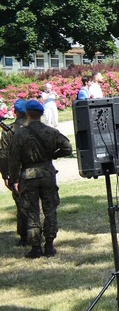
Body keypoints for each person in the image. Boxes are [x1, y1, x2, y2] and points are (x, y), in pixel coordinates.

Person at [6, 100, 73, 257]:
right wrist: (52, 155)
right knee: (50, 209)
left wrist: (14, 180)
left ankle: (35, 247)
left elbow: (14, 160)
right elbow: (67, 147)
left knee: (32, 211)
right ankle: (49, 244)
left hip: (28, 176)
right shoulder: (50, 131)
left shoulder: (20, 134)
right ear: (42, 114)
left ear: (27, 114)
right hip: (47, 173)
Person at [0, 100, 30, 245]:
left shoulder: (9, 131)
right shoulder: (37, 126)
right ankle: (41, 235)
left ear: (15, 112)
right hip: (38, 171)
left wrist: (6, 175)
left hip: (18, 173)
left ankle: (25, 236)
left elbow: (4, 155)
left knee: (21, 205)